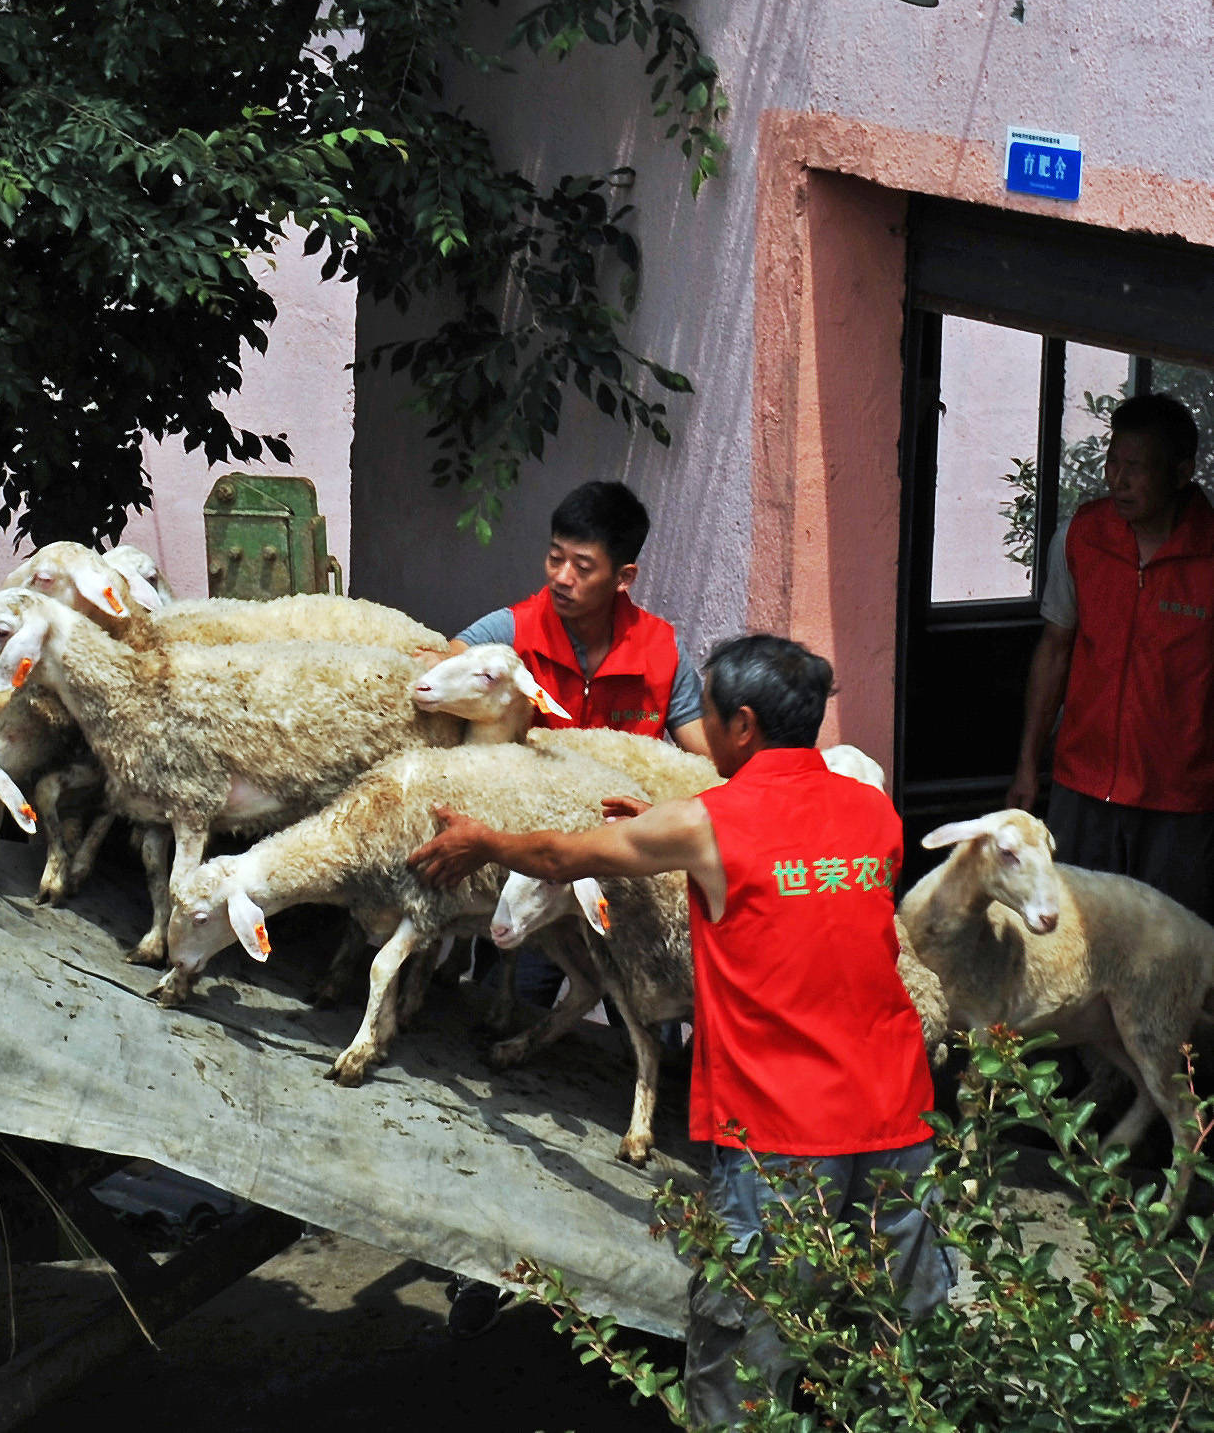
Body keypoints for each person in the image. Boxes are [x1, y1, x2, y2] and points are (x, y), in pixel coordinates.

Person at [406, 635, 948, 1426]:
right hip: (899, 1119)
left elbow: (561, 853)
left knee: (750, 1348)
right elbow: (791, 868)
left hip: (783, 1134)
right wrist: (668, 825)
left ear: (745, 726)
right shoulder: (872, 812)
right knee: (899, 1339)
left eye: (713, 714)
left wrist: (482, 840)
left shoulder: (712, 823)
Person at [1007, 391, 1214, 918]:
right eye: (1112, 463)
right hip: (1083, 783)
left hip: (1182, 800)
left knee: (1168, 954)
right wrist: (1029, 766)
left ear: (1182, 471)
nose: (1116, 480)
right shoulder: (1082, 536)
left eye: (1135, 468)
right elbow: (1054, 651)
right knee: (1080, 939)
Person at [451, 480, 708, 756]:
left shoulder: (664, 652)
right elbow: (442, 668)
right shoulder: (509, 631)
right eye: (555, 558)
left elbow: (710, 759)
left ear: (623, 578)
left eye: (582, 568)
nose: (561, 578)